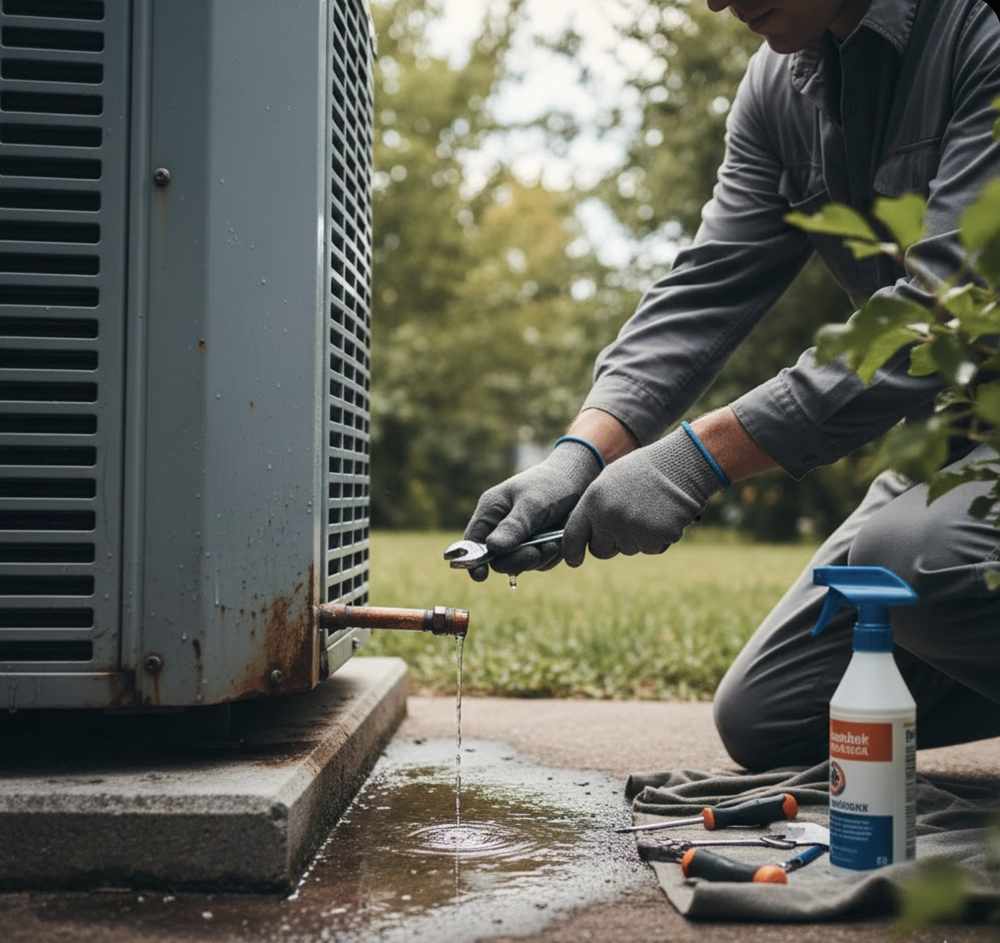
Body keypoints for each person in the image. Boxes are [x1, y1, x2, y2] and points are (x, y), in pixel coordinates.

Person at [462, 0, 1000, 771]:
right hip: (958, 444)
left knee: (914, 564)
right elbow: (707, 288)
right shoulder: (777, 84)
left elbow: (945, 309)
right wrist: (580, 454)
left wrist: (697, 458)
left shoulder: (977, 29)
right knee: (775, 712)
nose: (714, 1)